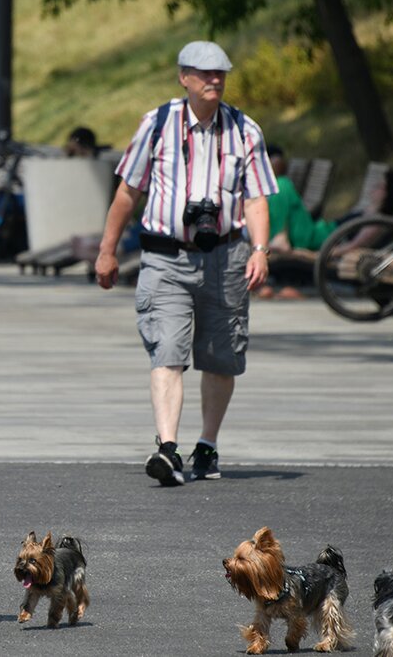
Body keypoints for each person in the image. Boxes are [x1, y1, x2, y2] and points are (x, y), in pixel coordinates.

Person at [94, 40, 275, 487]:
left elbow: (255, 197)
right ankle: (168, 448)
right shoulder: (157, 124)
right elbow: (127, 192)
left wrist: (260, 249)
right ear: (184, 77)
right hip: (165, 257)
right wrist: (107, 249)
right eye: (204, 73)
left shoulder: (244, 130)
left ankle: (207, 444)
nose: (214, 80)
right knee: (167, 350)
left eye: (221, 74)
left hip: (227, 256)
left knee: (221, 356)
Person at [261, 144, 336, 299]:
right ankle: (279, 238)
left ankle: (280, 238)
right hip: (305, 231)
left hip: (311, 237)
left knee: (280, 186)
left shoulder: (280, 184)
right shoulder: (275, 185)